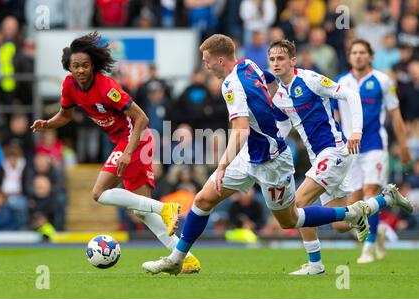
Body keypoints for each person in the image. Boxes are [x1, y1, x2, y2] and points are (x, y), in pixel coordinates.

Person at [141, 34, 412, 275]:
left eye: (206, 60)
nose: (204, 65)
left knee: (291, 217)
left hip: (299, 157)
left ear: (221, 60)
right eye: (272, 58)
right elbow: (268, 87)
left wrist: (222, 166)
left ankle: (340, 234)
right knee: (203, 198)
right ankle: (177, 259)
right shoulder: (250, 67)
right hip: (254, 155)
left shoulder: (240, 84)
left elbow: (240, 130)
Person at [30, 32, 200, 273]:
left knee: (99, 193)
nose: (80, 70)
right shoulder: (69, 85)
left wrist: (129, 152)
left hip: (136, 140)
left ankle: (165, 209)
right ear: (68, 66)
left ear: (93, 66)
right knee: (142, 210)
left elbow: (142, 118)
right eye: (75, 66)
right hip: (124, 142)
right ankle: (185, 258)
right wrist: (48, 123)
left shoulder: (107, 87)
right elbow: (66, 115)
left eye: (85, 66)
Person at [267, 39, 363, 275]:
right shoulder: (279, 96)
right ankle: (376, 204)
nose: (276, 63)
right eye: (272, 59)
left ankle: (315, 264)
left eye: (281, 58)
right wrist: (266, 149)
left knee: (297, 205)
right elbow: (282, 128)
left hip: (334, 151)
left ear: (293, 61)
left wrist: (356, 131)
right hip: (318, 157)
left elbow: (351, 95)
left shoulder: (310, 80)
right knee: (340, 225)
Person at [333, 39, 411, 264]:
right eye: (354, 52)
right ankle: (379, 231)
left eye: (362, 52)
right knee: (353, 209)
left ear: (370, 56)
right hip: (350, 150)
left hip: (375, 145)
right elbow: (335, 116)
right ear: (349, 57)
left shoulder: (382, 81)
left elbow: (395, 114)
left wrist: (403, 145)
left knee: (370, 192)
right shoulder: (341, 82)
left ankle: (367, 247)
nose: (358, 56)